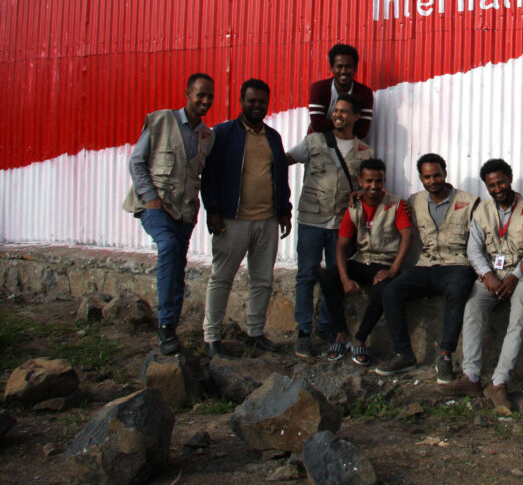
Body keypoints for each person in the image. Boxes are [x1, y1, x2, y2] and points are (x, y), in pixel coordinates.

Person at [123, 73, 216, 355]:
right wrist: (150, 198)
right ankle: (165, 327)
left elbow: (206, 177)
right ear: (187, 93)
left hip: (184, 212)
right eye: (200, 94)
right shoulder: (161, 121)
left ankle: (170, 329)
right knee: (169, 247)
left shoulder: (207, 137)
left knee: (178, 264)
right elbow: (137, 162)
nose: (205, 101)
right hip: (156, 207)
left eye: (210, 96)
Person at [200, 79, 292, 358]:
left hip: (267, 220)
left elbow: (280, 176)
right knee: (222, 278)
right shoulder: (224, 134)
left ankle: (255, 333)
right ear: (241, 101)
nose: (257, 106)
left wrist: (284, 210)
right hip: (232, 220)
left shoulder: (273, 137)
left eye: (262, 102)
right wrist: (213, 211)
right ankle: (212, 337)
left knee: (262, 279)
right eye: (251, 101)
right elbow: (210, 176)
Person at [376, 154, 479, 381]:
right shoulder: (413, 201)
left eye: (437, 175)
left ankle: (444, 356)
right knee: (391, 291)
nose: (433, 181)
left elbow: (480, 239)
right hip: (425, 265)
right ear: (421, 178)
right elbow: (386, 203)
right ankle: (404, 354)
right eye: (427, 177)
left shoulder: (469, 201)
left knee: (459, 289)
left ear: (445, 173)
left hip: (456, 264)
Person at [441, 159, 523, 413]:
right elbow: (474, 249)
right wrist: (488, 275)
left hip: (521, 273)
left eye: (501, 182)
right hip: (491, 274)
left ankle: (499, 382)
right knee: (472, 309)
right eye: (491, 185)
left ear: (510, 179)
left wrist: (513, 277)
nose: (497, 188)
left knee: (520, 315)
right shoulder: (482, 210)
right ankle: (470, 377)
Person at [285, 94, 373, 357]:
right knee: (306, 275)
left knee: (333, 277)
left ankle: (328, 327)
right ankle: (303, 332)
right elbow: (283, 161)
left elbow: (366, 186)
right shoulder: (313, 141)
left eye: (345, 111)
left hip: (341, 225)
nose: (338, 115)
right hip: (311, 220)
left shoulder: (364, 151)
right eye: (336, 110)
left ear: (356, 117)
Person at [321, 158, 414, 365]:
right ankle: (341, 333)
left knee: (385, 288)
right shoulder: (353, 207)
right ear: (360, 182)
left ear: (384, 181)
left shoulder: (395, 204)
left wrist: (392, 270)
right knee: (328, 276)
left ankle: (360, 338)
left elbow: (408, 237)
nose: (374, 186)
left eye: (378, 181)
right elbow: (341, 246)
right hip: (361, 259)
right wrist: (345, 278)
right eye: (369, 181)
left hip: (384, 262)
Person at [308, 43, 374, 139]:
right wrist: (348, 122)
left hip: (348, 143)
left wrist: (331, 123)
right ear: (332, 68)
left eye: (348, 66)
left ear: (355, 68)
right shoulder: (319, 88)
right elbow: (317, 126)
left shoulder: (364, 93)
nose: (343, 71)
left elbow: (362, 131)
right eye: (339, 66)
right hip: (319, 142)